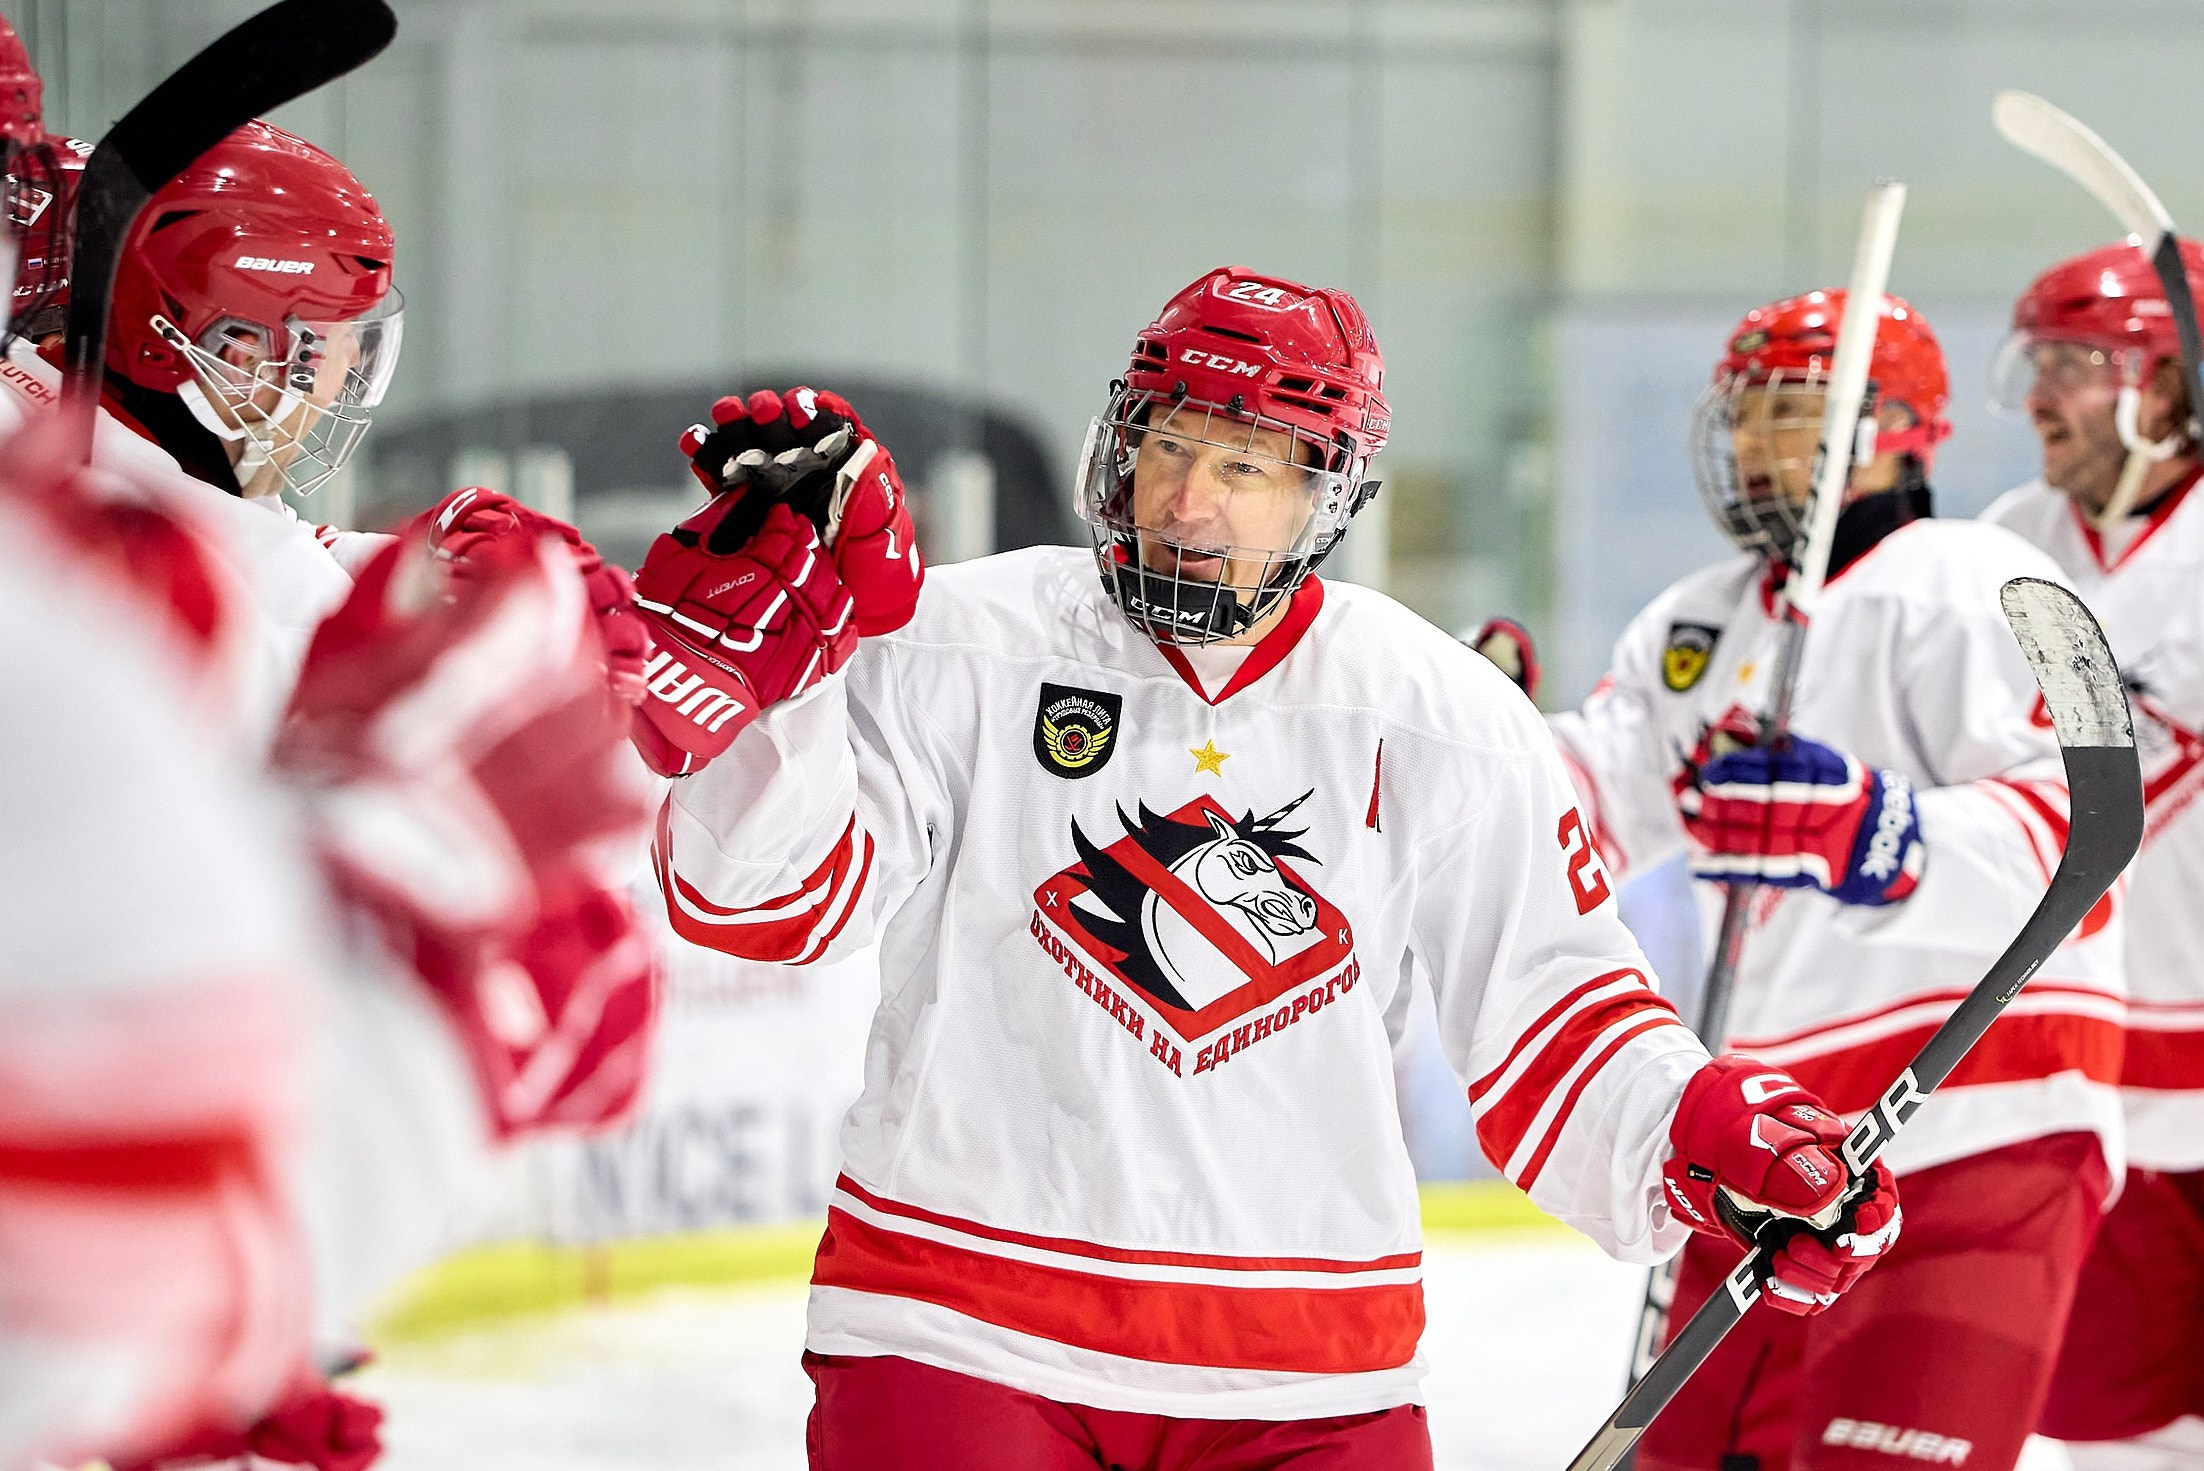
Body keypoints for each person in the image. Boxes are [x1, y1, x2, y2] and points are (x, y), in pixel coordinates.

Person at [628, 266, 1899, 1469]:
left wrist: (1705, 1131)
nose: (1187, 500)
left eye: (1244, 465)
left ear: (1325, 495)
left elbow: (1555, 1010)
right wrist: (779, 702)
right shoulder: (957, 643)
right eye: (1168, 447)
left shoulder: (1436, 710)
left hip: (1302, 1374)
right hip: (957, 1330)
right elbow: (764, 905)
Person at [1473, 288, 2124, 1471]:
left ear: (1895, 428)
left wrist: (1874, 828)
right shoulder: (1697, 622)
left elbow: (2075, 842)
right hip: (1771, 1146)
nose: (1754, 444)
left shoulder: (1975, 580)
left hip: (1974, 1126)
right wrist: (1482, 754)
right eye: (1744, 414)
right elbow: (1592, 806)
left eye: (1791, 413)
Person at [1980, 243, 2204, 1471]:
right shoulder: (2002, 546)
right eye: (2039, 360)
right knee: (2123, 1434)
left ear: (2165, 385)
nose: (2037, 394)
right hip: (2101, 1069)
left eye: (2074, 362)